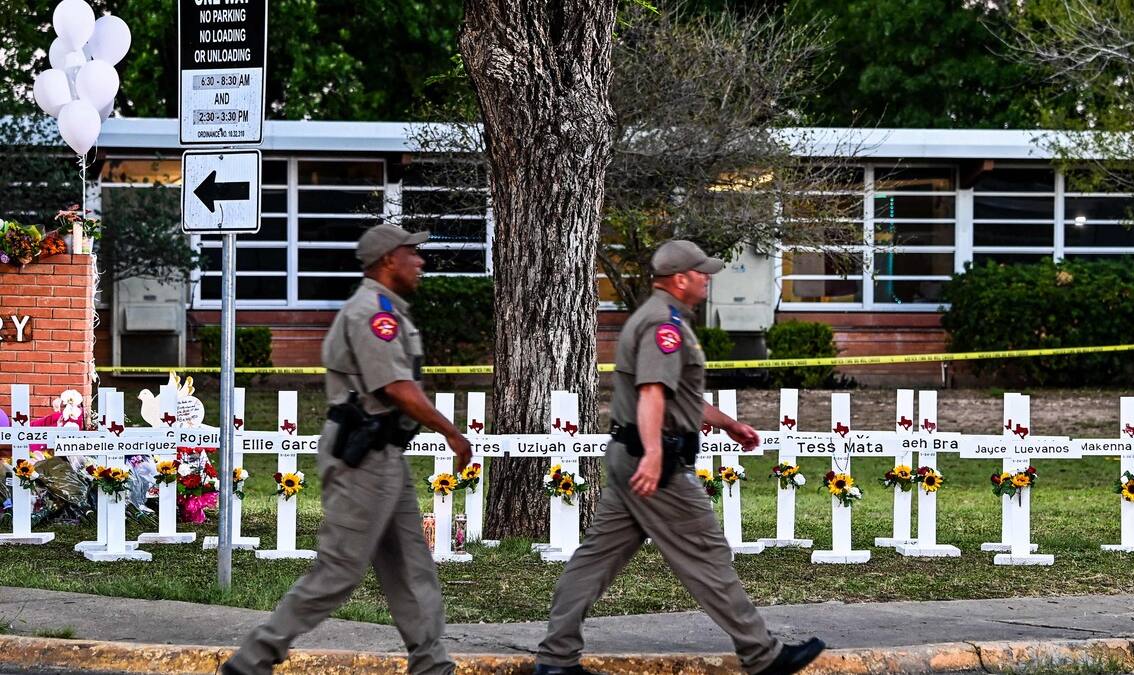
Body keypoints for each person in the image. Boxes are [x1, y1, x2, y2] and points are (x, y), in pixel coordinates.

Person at [533, 240, 825, 675]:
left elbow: (675, 395)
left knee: (596, 558)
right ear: (680, 279)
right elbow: (652, 393)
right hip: (656, 463)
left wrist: (727, 423)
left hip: (634, 454)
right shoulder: (661, 324)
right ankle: (763, 656)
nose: (708, 278)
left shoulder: (663, 319)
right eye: (701, 272)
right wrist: (654, 456)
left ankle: (556, 660)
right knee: (707, 553)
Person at [222, 224, 472, 675]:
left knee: (412, 567)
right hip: (363, 461)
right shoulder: (370, 313)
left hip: (384, 457)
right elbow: (395, 386)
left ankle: (432, 664)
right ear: (388, 260)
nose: (421, 262)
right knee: (338, 572)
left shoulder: (388, 311)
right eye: (412, 253)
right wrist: (450, 431)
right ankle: (253, 658)